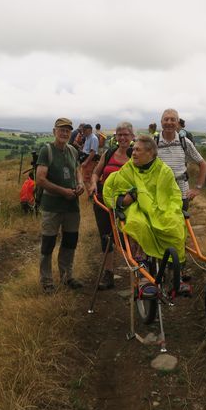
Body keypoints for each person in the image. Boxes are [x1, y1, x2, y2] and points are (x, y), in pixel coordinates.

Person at [103, 134, 185, 266]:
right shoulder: (128, 169)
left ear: (150, 153)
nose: (133, 153)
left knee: (173, 223)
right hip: (135, 208)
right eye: (133, 149)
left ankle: (173, 269)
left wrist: (164, 207)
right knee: (138, 224)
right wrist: (126, 199)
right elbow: (117, 191)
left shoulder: (164, 171)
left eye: (137, 150)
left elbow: (173, 195)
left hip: (161, 207)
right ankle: (142, 267)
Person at [36, 117, 85, 293]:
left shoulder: (72, 150)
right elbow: (40, 179)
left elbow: (78, 169)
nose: (64, 133)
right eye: (61, 130)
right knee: (48, 243)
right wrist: (63, 191)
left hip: (72, 206)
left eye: (67, 130)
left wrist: (80, 184)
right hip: (52, 206)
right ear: (54, 131)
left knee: (70, 242)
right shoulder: (46, 150)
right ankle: (47, 281)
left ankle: (67, 276)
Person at [87, 121, 134, 290]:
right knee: (106, 237)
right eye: (119, 134)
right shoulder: (109, 153)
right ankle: (108, 274)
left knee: (129, 237)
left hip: (126, 204)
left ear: (132, 136)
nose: (122, 138)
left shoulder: (136, 155)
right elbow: (96, 173)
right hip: (102, 202)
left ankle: (135, 271)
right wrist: (93, 184)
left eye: (125, 134)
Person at [156, 108, 206, 211]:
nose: (169, 123)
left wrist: (197, 188)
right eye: (166, 119)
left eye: (172, 119)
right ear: (161, 122)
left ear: (177, 122)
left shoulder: (185, 142)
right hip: (159, 194)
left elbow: (202, 164)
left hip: (181, 194)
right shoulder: (153, 143)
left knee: (181, 225)